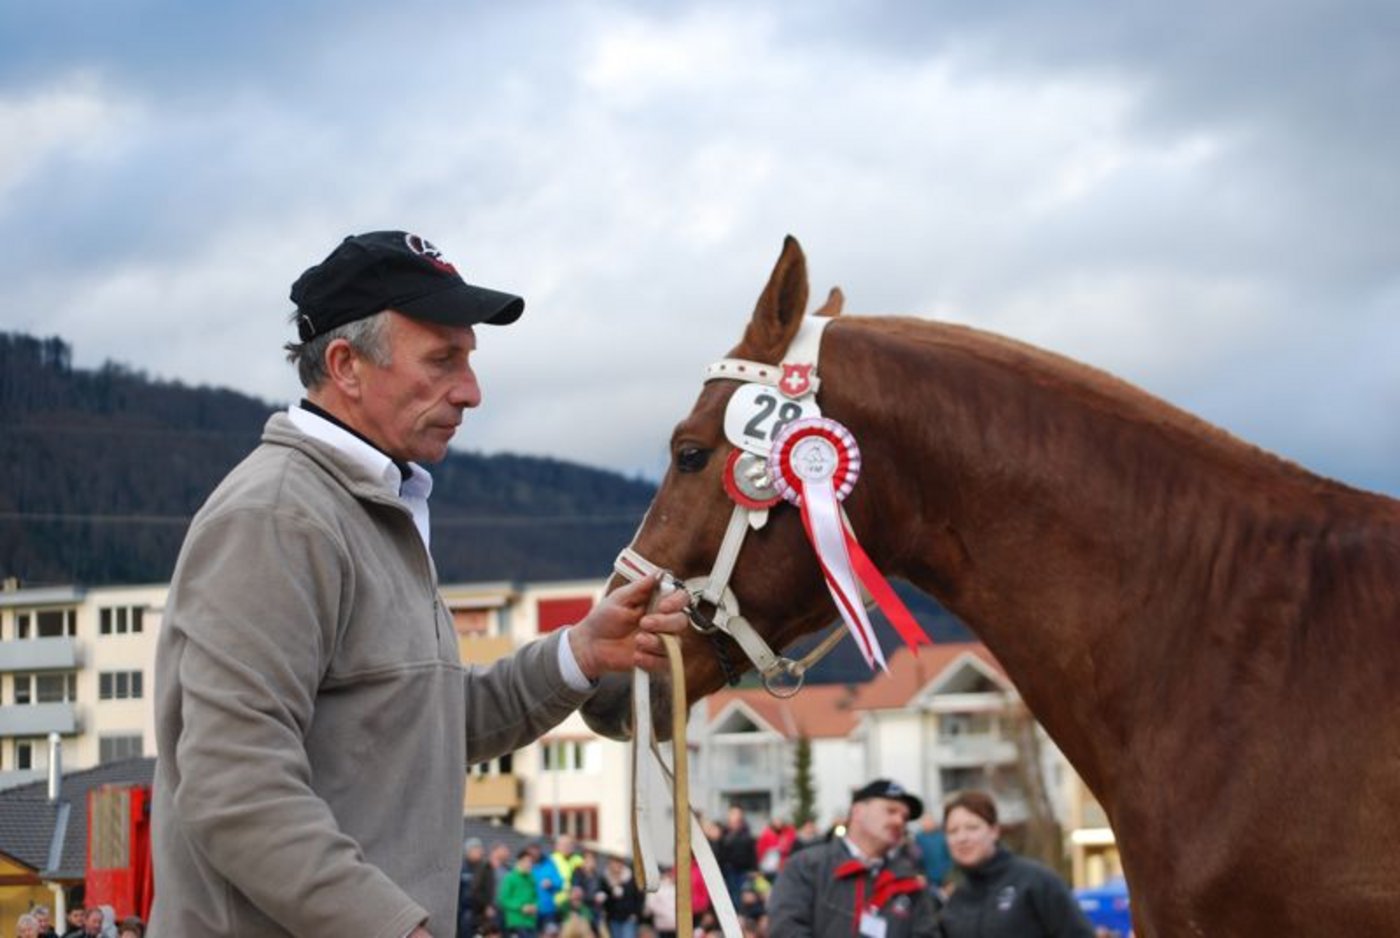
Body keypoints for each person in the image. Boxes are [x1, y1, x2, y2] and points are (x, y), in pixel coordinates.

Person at [148, 230, 690, 936]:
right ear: (346, 365)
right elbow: (234, 785)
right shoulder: (278, 516)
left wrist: (580, 653)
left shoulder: (368, 507)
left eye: (467, 360)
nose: (471, 391)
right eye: (443, 361)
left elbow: (419, 730)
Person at [768, 779, 938, 937]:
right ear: (857, 811)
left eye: (905, 817)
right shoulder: (807, 866)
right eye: (891, 810)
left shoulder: (909, 882)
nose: (899, 821)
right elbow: (786, 928)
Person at [938, 790, 1095, 938]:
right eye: (953, 831)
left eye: (972, 828)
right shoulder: (955, 901)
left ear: (994, 831)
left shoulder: (1036, 882)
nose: (962, 838)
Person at [716, 805, 758, 905]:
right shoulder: (722, 834)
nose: (735, 817)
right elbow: (720, 854)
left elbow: (752, 853)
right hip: (727, 872)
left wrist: (754, 869)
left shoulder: (746, 834)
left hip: (742, 873)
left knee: (742, 899)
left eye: (737, 814)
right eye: (732, 814)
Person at [499, 849, 541, 938]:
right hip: (515, 921)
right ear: (519, 862)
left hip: (530, 922)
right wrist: (521, 907)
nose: (529, 864)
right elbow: (504, 899)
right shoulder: (510, 878)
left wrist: (535, 906)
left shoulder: (531, 878)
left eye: (531, 862)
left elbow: (535, 896)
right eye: (526, 861)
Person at [601, 855, 644, 938]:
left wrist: (636, 913)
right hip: (613, 918)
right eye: (614, 863)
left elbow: (639, 897)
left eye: (618, 862)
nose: (616, 866)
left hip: (628, 918)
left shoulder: (630, 878)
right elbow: (605, 899)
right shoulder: (606, 879)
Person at [913, 811, 953, 897]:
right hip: (930, 881)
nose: (927, 823)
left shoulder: (943, 835)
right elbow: (917, 858)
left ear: (933, 821)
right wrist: (919, 874)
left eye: (929, 820)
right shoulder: (918, 839)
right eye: (924, 821)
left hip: (947, 878)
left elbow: (951, 856)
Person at [460, 837, 494, 937]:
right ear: (468, 851)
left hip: (480, 911)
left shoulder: (485, 867)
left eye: (480, 849)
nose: (480, 851)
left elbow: (489, 890)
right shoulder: (461, 867)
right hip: (463, 910)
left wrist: (488, 905)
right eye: (476, 849)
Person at [756, 816, 797, 880]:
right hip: (769, 867)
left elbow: (791, 845)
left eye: (780, 821)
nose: (778, 824)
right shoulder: (766, 834)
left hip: (784, 866)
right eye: (776, 822)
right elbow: (760, 851)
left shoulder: (788, 832)